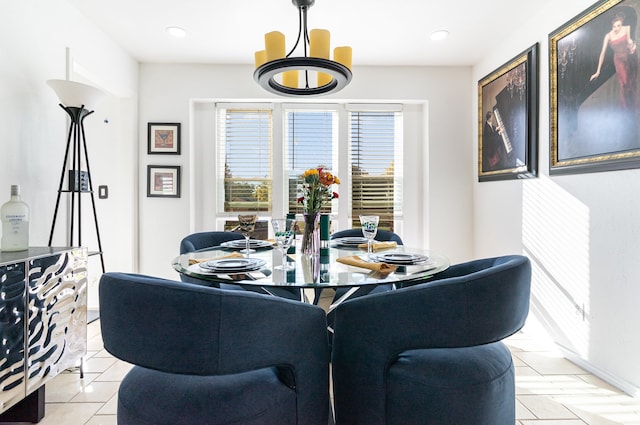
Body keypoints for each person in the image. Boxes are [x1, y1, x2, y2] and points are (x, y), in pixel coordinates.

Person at [590, 12, 638, 110]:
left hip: (629, 57)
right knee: (624, 84)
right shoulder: (608, 36)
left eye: (618, 25)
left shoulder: (626, 28)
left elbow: (629, 41)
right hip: (619, 59)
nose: (616, 28)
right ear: (612, 26)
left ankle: (634, 106)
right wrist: (598, 71)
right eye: (614, 26)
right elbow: (602, 53)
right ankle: (625, 109)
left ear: (622, 24)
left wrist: (632, 46)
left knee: (632, 82)